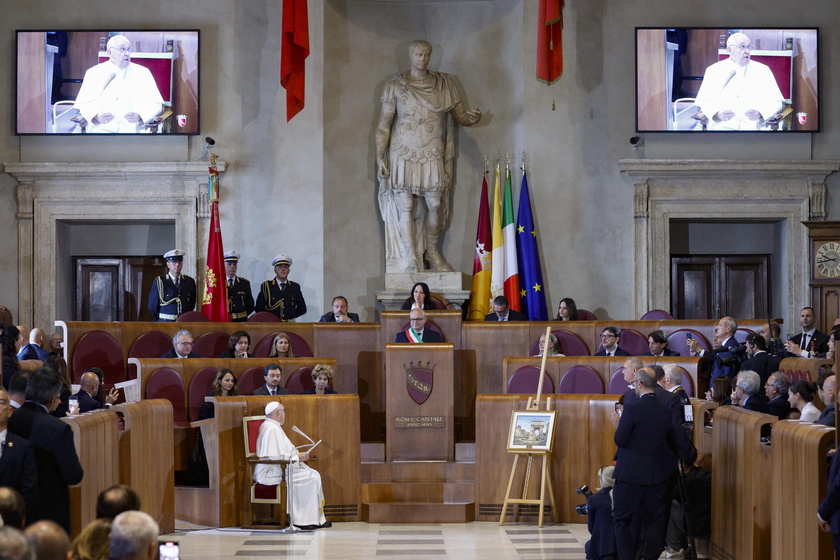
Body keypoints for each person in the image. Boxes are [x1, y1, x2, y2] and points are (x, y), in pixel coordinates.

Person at [375, 39, 481, 272]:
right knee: (406, 205)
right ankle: (411, 256)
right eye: (418, 55)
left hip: (432, 149)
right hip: (402, 151)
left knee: (435, 203)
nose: (422, 59)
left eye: (426, 55)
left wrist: (471, 119)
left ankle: (432, 251)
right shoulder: (395, 86)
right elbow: (384, 126)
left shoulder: (444, 84)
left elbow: (460, 115)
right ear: (410, 56)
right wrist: (380, 157)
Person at [612, 368, 697, 560]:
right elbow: (677, 438)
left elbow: (620, 439)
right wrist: (691, 456)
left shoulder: (632, 408)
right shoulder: (666, 411)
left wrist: (619, 425)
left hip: (630, 476)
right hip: (656, 476)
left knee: (622, 520)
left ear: (639, 384)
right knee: (654, 522)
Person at [7, 367, 84, 533]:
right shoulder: (58, 429)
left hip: (13, 510)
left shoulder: (9, 420)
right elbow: (73, 475)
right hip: (49, 514)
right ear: (54, 397)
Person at [254, 401, 330, 529]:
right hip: (270, 471)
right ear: (278, 413)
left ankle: (316, 519)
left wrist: (298, 456)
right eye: (284, 412)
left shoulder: (275, 426)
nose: (285, 415)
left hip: (280, 468)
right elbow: (273, 457)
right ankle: (302, 521)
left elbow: (282, 452)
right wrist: (296, 457)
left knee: (314, 475)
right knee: (309, 478)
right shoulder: (271, 428)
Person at [74, 35, 164, 133]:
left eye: (129, 49)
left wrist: (140, 116)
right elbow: (83, 105)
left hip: (134, 130)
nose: (127, 53)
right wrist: (95, 116)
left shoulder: (143, 72)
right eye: (122, 49)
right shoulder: (93, 73)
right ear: (109, 52)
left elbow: (157, 104)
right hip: (102, 129)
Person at [694, 32, 784, 131]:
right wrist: (716, 114)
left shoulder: (763, 70)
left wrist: (760, 113)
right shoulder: (714, 70)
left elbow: (777, 102)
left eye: (749, 47)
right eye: (742, 47)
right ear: (729, 50)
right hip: (723, 127)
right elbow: (703, 102)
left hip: (754, 128)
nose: (747, 51)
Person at [0, 388, 37, 518]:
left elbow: (29, 489)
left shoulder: (23, 447)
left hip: (11, 519)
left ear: (10, 411)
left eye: (1, 402)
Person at [147, 249, 196, 322]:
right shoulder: (160, 281)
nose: (177, 265)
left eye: (179, 262)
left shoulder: (189, 281)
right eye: (174, 262)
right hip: (166, 322)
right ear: (168, 264)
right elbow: (152, 307)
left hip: (184, 322)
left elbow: (191, 304)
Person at [254, 254, 307, 321]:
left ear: (289, 271)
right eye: (280, 267)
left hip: (290, 324)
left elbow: (302, 309)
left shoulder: (295, 287)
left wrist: (290, 316)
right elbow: (259, 308)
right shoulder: (267, 286)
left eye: (285, 267)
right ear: (275, 270)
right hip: (271, 324)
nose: (283, 269)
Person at [687, 316, 741, 380]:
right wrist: (696, 354)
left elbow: (727, 375)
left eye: (720, 325)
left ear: (728, 329)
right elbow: (712, 362)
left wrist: (698, 349)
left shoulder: (732, 347)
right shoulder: (724, 346)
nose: (716, 327)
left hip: (720, 388)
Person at [584, 465, 617, 560]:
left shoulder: (594, 499)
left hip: (604, 548)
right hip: (626, 546)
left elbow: (592, 529)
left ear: (601, 480)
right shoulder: (627, 497)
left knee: (589, 546)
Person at [224, 251, 254, 322]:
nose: (232, 267)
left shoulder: (244, 283)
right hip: (223, 321)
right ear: (223, 265)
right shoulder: (218, 284)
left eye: (234, 264)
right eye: (229, 264)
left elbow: (250, 305)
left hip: (241, 321)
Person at [2, 325, 21, 390]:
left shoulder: (9, 358)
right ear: (14, 342)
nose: (20, 343)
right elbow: (12, 385)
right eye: (19, 339)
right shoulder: (6, 361)